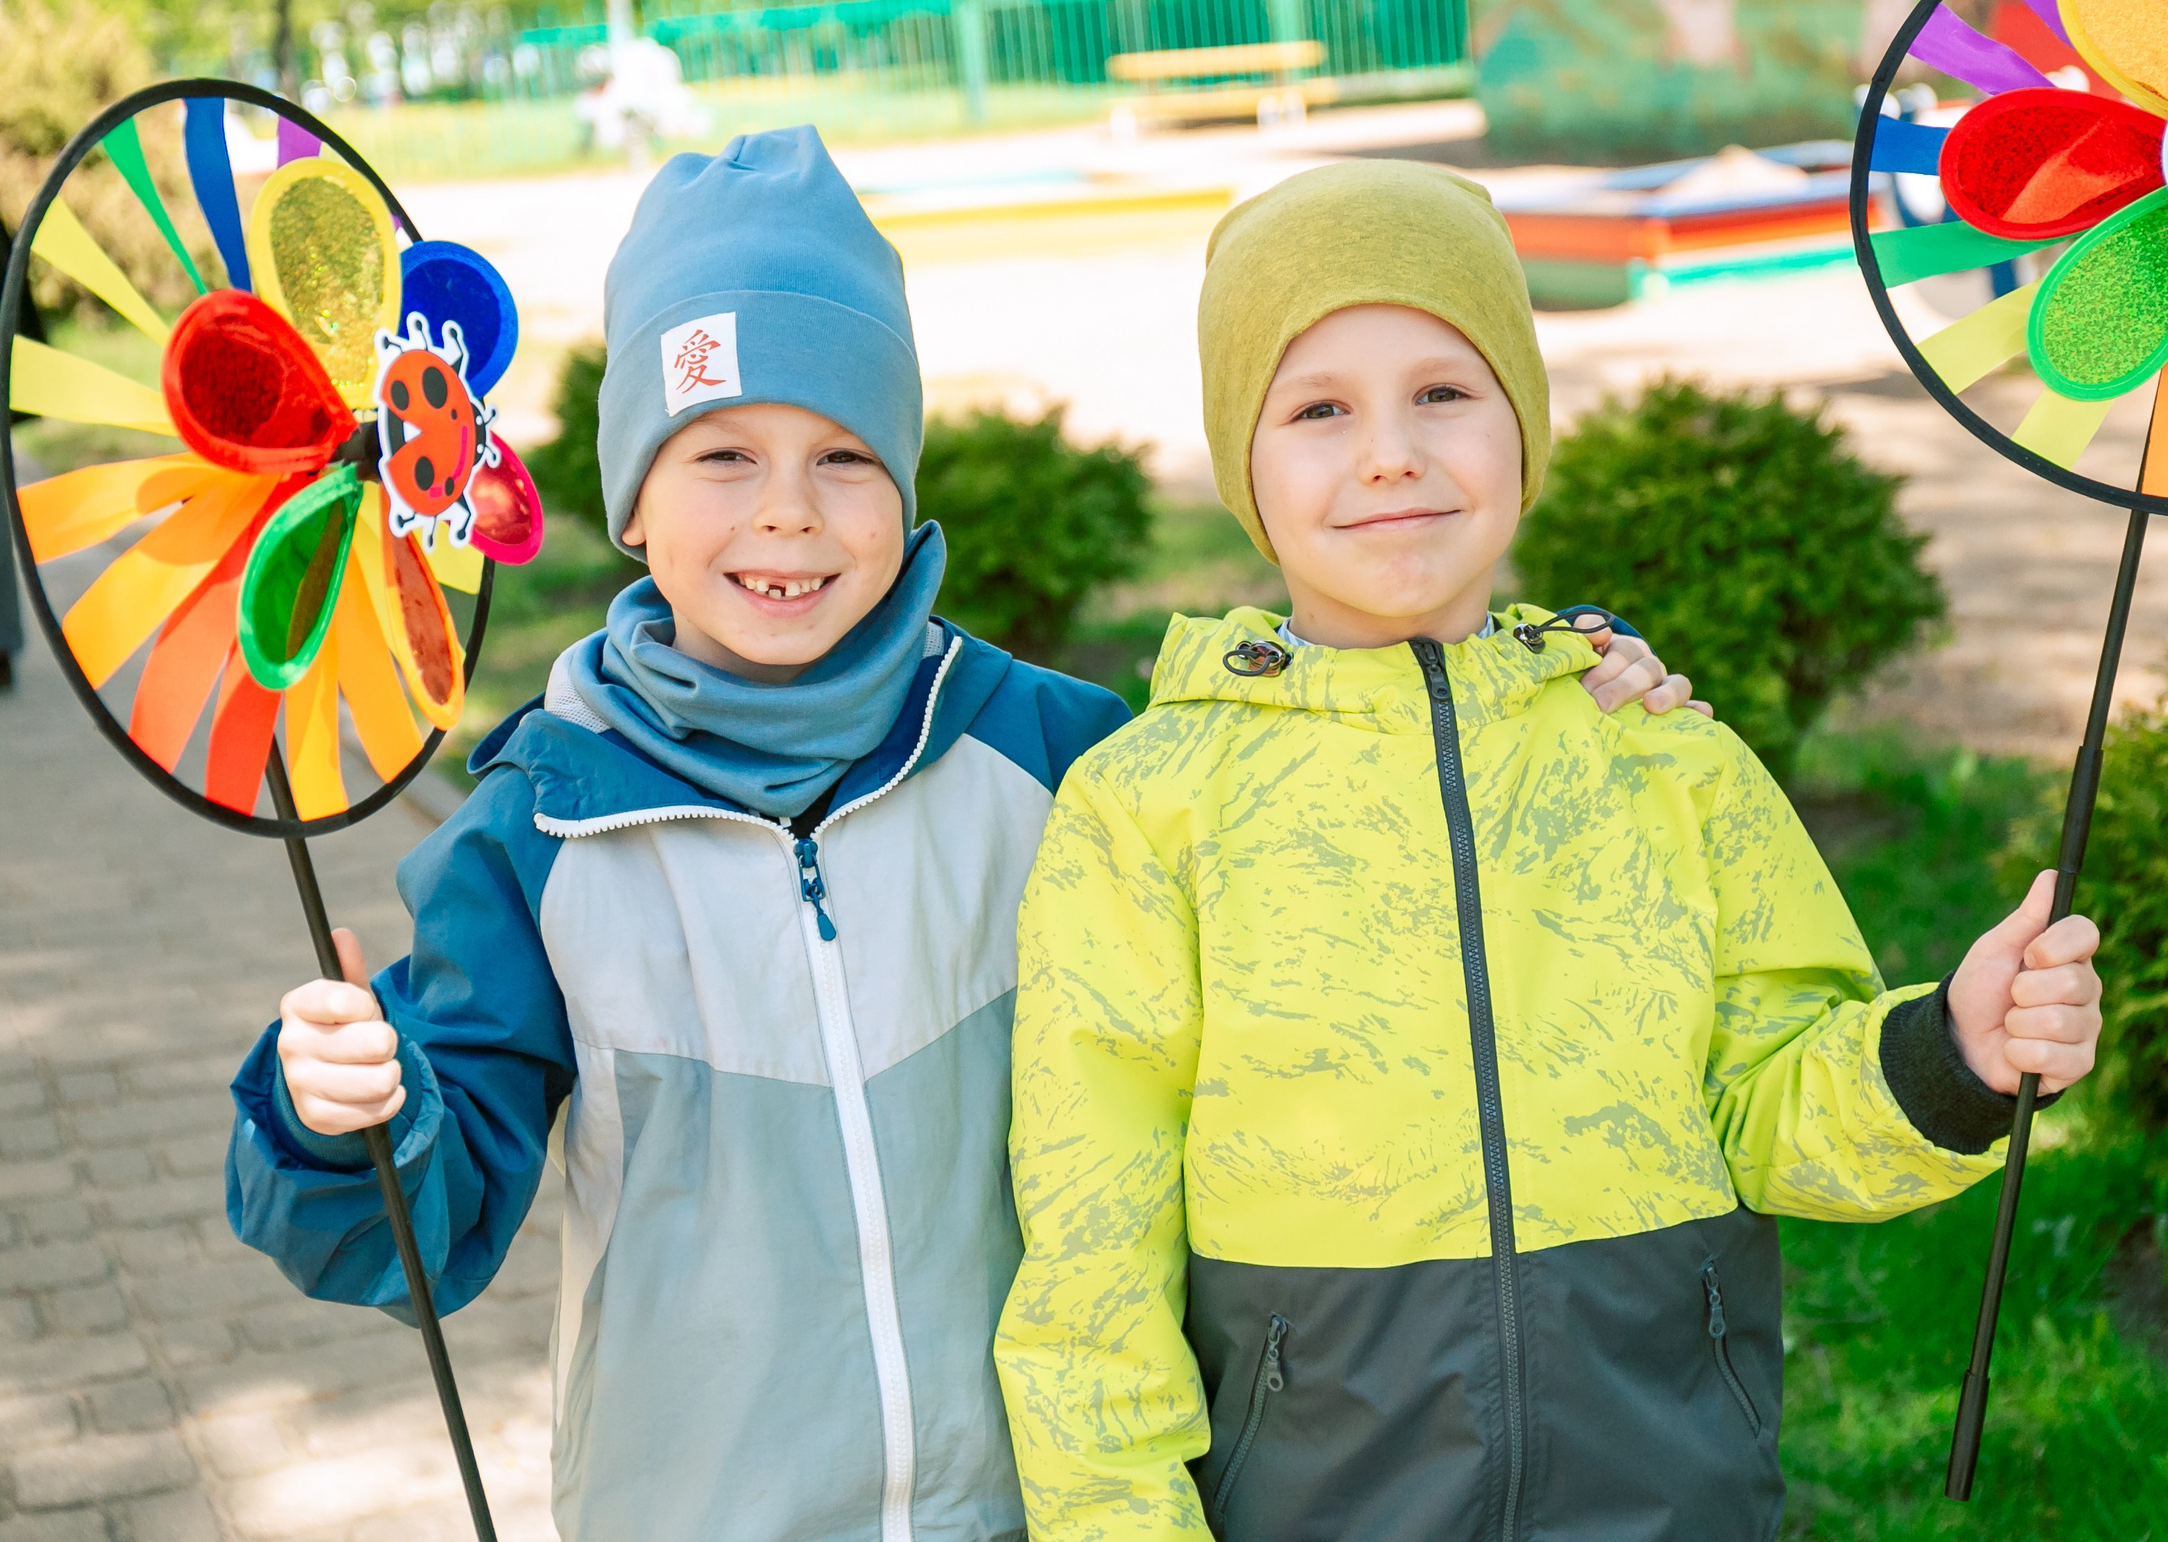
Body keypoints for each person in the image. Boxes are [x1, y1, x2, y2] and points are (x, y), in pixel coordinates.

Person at [223, 130, 1695, 1542]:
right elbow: (419, 1239)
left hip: (1044, 1509)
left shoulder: (1059, 755)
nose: (788, 515)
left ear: (905, 482)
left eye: (844, 457)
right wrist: (346, 1120)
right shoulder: (538, 831)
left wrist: (1553, 689)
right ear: (633, 500)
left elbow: (1334, 826)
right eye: (721, 456)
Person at [994, 161, 2107, 1542]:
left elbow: (1770, 1108)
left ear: (1523, 427)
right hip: (1318, 1501)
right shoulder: (1148, 805)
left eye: (1443, 392)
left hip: (1665, 1491)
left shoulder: (1664, 756)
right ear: (1244, 465)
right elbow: (1092, 1249)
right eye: (1320, 409)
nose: (1390, 452)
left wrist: (1952, 1055)